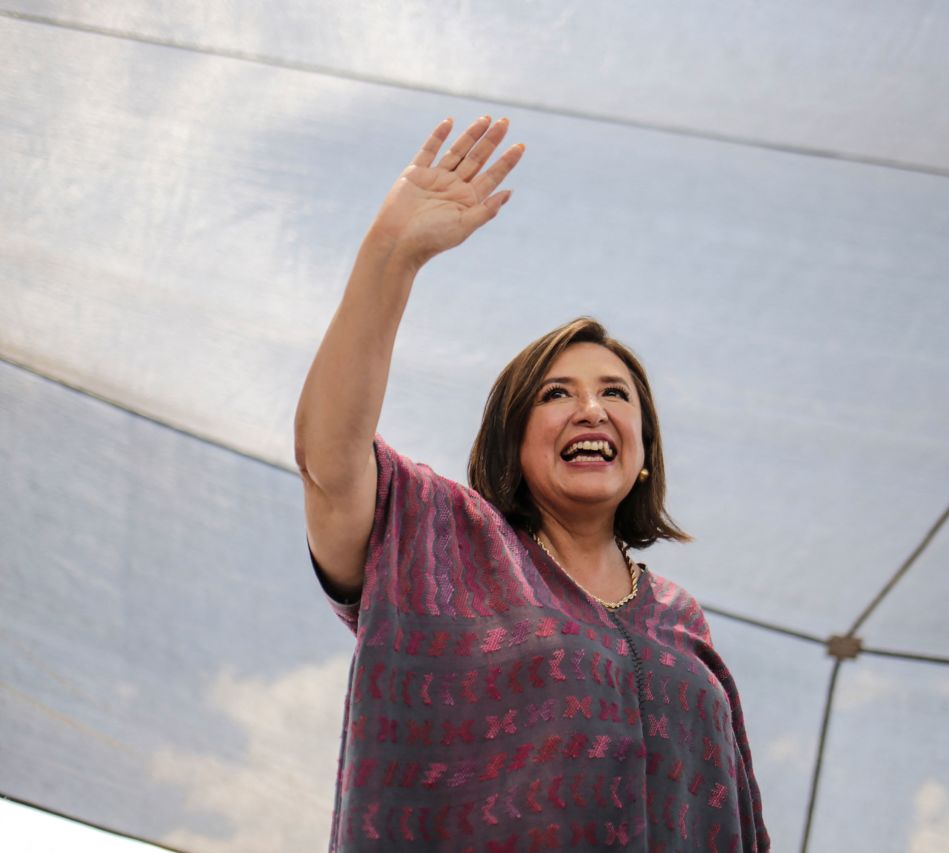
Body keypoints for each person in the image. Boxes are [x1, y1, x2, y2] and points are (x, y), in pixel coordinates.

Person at [295, 115, 769, 851]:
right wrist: (391, 255)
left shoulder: (681, 620)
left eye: (616, 393)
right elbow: (330, 464)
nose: (590, 406)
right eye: (556, 394)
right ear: (512, 444)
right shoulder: (436, 537)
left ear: (643, 449)